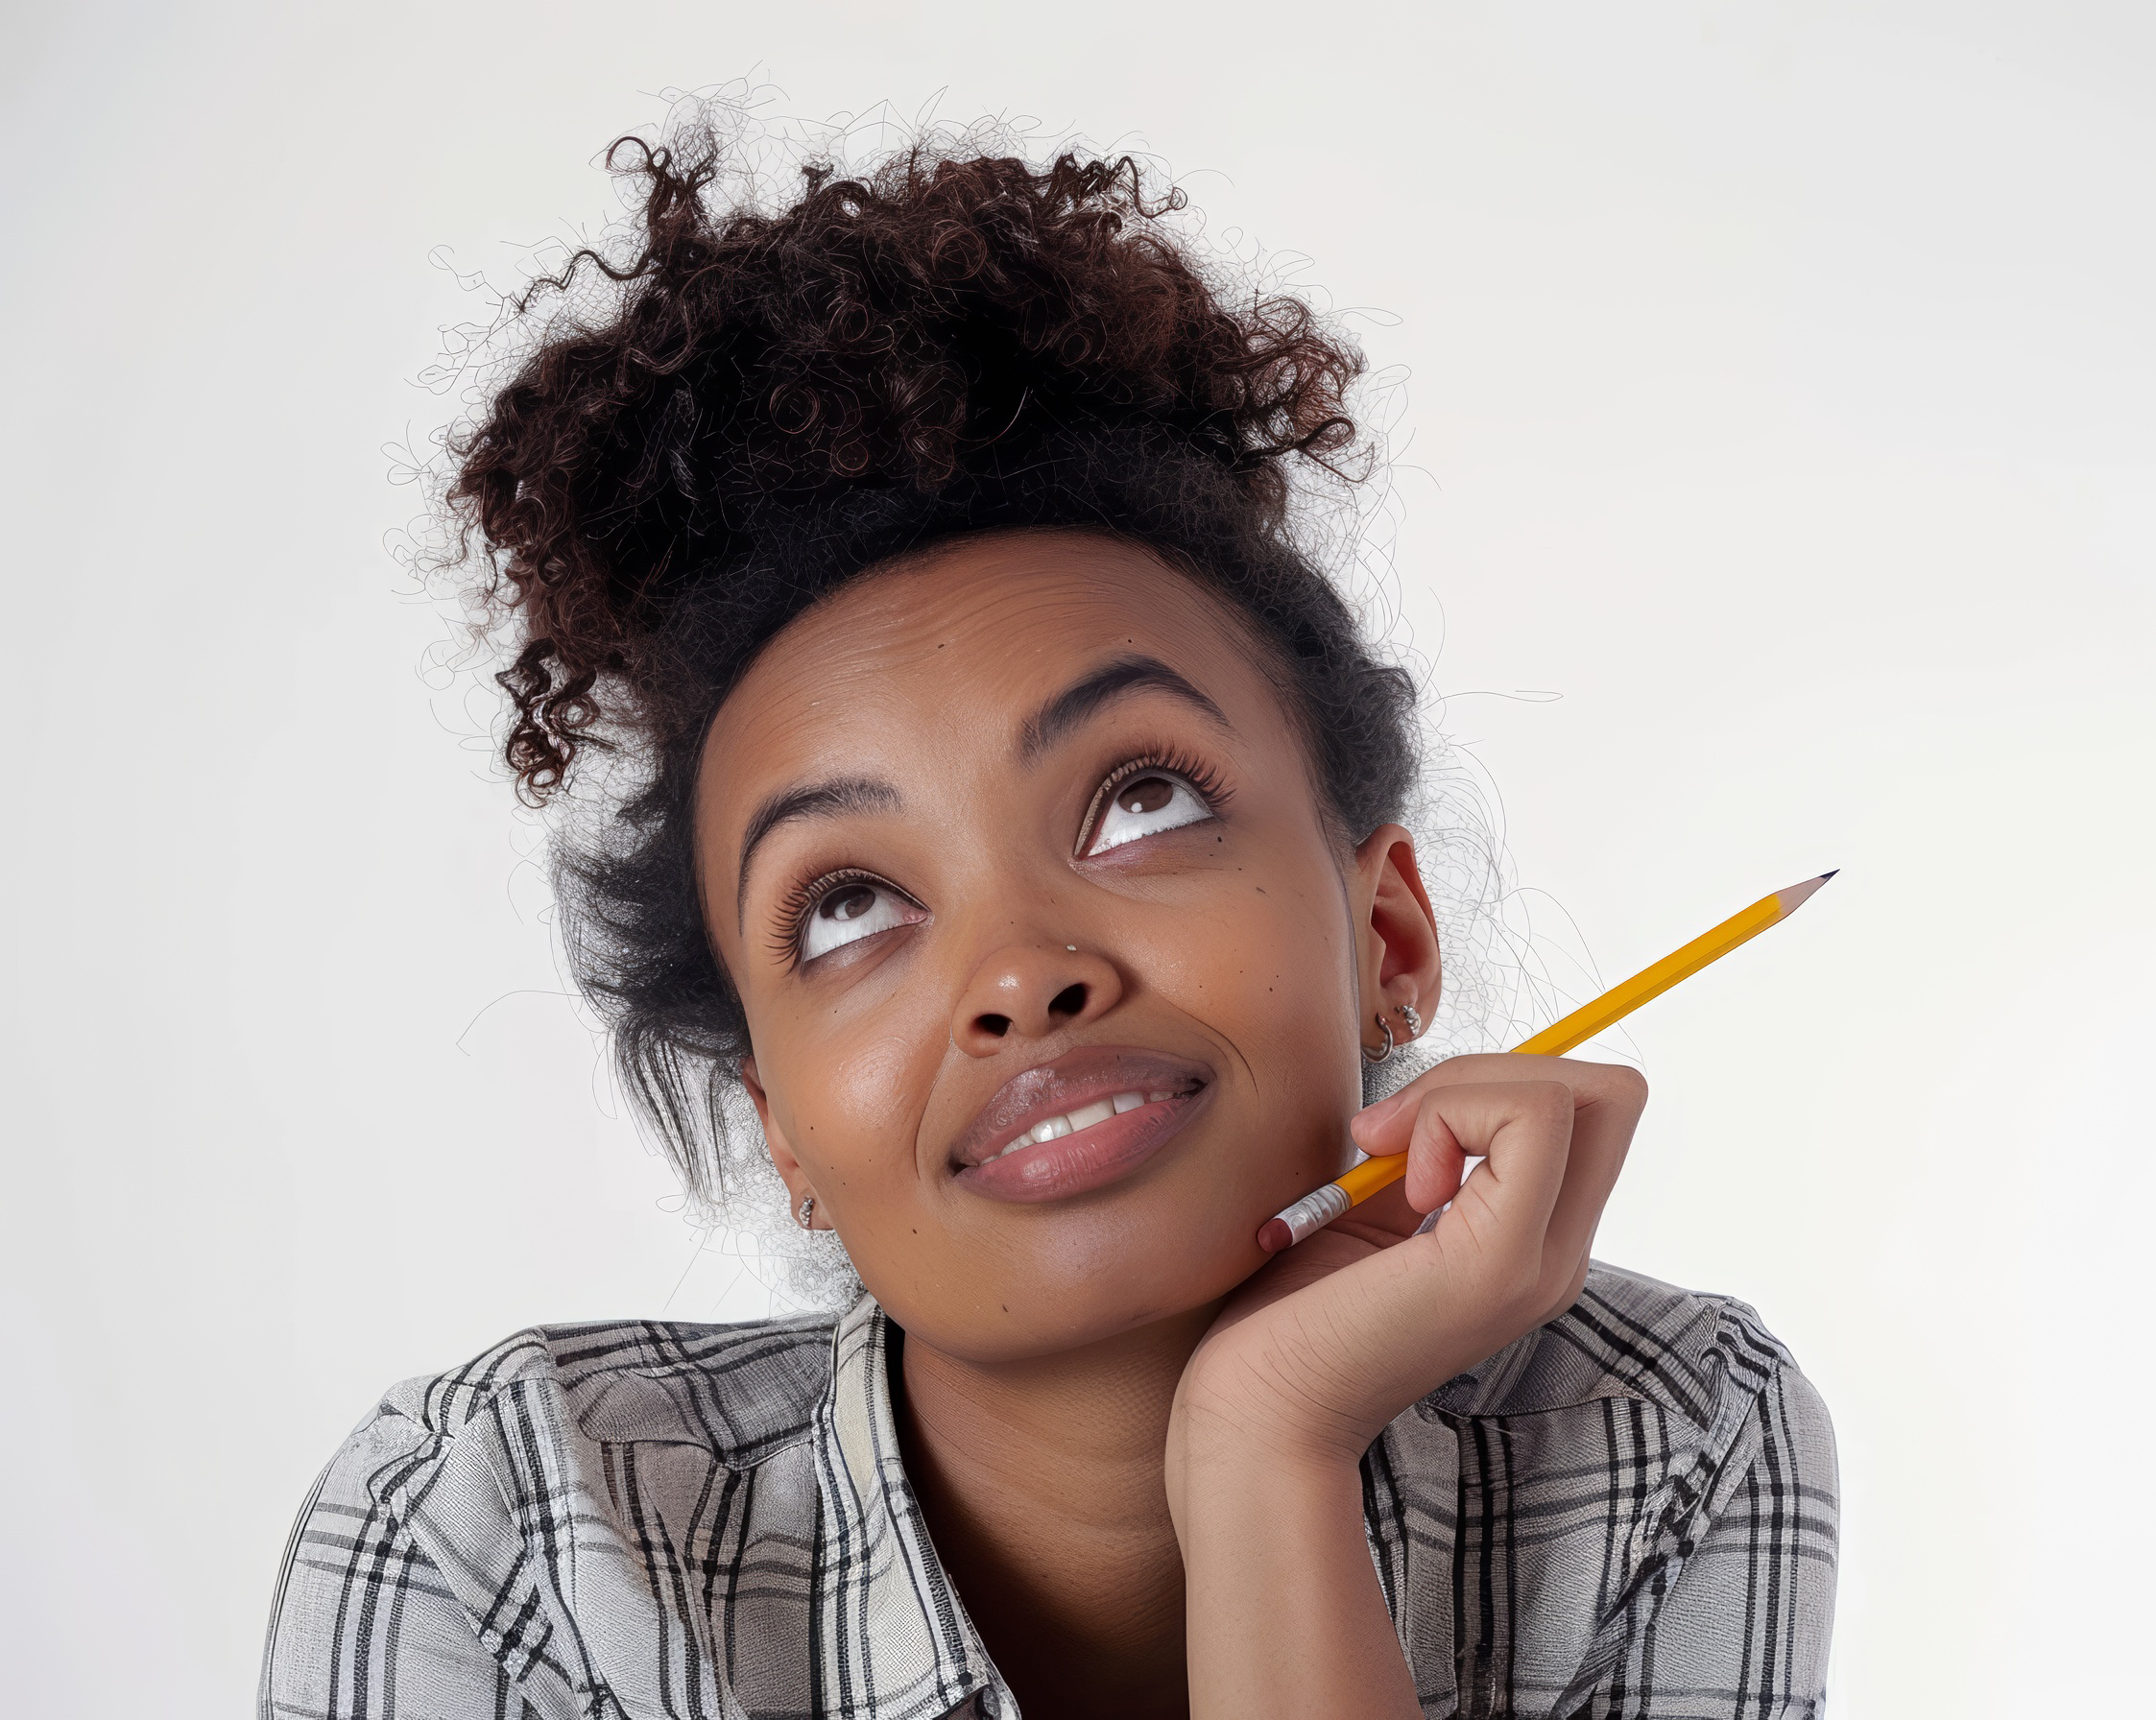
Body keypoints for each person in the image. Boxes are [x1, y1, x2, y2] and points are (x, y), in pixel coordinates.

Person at [259, 125, 1839, 1720]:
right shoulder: (513, 1540)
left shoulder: (1663, 1437)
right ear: (785, 1134)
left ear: (1389, 943)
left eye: (1140, 801)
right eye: (850, 905)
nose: (1019, 974)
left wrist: (1264, 1450)